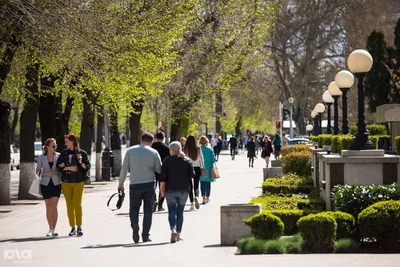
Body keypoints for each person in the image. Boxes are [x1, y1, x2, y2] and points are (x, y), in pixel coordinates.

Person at [118, 133, 162, 244]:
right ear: (151, 142)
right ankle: (145, 236)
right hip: (149, 184)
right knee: (148, 210)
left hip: (134, 184)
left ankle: (135, 225)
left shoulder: (130, 151)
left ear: (141, 139)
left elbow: (124, 169)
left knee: (133, 208)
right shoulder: (154, 152)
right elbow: (159, 169)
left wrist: (121, 184)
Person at [160, 141, 194, 243]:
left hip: (170, 190)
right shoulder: (187, 161)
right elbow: (191, 176)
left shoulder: (167, 161)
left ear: (171, 150)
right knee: (180, 212)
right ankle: (178, 234)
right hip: (183, 190)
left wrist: (162, 191)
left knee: (171, 210)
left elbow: (162, 178)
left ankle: (173, 228)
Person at [57, 134, 90, 236]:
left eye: (67, 141)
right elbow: (58, 167)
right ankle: (72, 227)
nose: (65, 143)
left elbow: (86, 167)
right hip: (66, 182)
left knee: (78, 205)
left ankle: (79, 226)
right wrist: (67, 168)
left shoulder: (81, 153)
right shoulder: (63, 153)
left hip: (78, 182)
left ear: (72, 141)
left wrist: (80, 162)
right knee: (69, 206)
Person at [36, 138, 61, 237]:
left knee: (54, 206)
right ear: (47, 147)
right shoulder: (41, 157)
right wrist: (46, 174)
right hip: (45, 184)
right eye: (53, 145)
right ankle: (50, 228)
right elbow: (37, 171)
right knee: (48, 207)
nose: (55, 147)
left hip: (56, 183)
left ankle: (54, 229)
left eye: (56, 145)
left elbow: (61, 168)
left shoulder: (58, 156)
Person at [151, 131, 170, 212]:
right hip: (163, 170)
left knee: (152, 187)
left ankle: (154, 201)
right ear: (163, 138)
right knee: (162, 187)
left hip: (152, 169)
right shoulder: (167, 147)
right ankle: (160, 204)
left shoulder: (151, 147)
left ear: (156, 138)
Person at [183, 135, 202, 211]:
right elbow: (201, 158)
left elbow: (183, 158)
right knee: (196, 184)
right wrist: (202, 167)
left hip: (188, 168)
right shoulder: (198, 148)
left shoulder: (185, 149)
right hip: (197, 167)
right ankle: (196, 197)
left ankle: (192, 204)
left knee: (190, 186)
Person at [199, 136, 217, 204]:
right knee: (208, 183)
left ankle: (203, 197)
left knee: (202, 183)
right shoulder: (210, 149)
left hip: (201, 168)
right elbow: (214, 160)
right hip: (208, 168)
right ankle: (207, 197)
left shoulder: (199, 149)